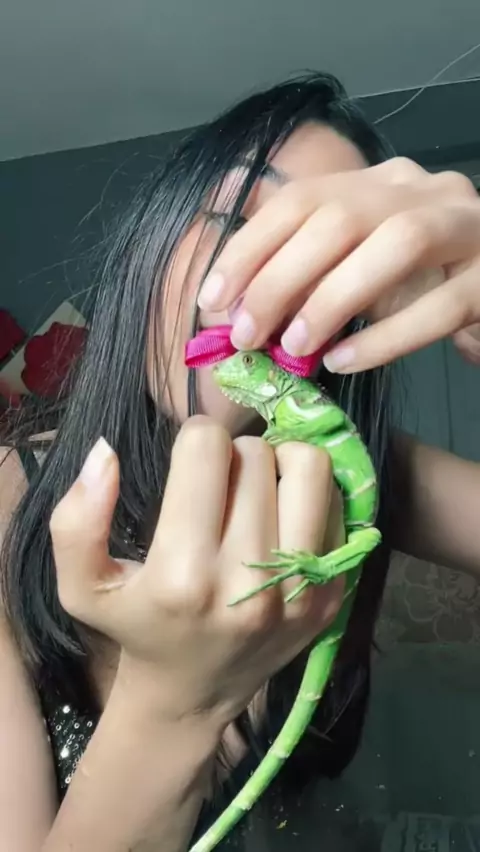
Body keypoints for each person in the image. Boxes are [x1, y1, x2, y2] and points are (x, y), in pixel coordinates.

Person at [0, 72, 480, 852]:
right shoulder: (8, 494)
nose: (278, 277)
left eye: (336, 258)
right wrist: (175, 705)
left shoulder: (351, 465)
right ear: (151, 239)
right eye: (236, 218)